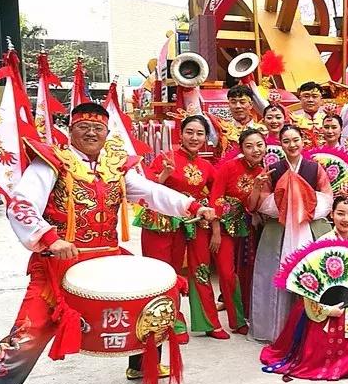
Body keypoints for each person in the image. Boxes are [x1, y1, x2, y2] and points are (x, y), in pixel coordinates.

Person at [0, 103, 216, 384]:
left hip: (108, 255)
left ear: (106, 132)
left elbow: (151, 192)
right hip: (59, 259)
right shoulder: (52, 162)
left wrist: (192, 206)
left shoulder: (115, 166)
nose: (91, 133)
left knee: (152, 297)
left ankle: (142, 366)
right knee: (30, 330)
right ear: (70, 129)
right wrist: (49, 237)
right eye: (83, 127)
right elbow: (21, 204)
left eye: (98, 128)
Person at [260, 196, 348, 379]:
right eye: (340, 214)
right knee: (342, 343)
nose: (346, 219)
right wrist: (327, 310)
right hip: (323, 307)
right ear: (332, 215)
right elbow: (309, 286)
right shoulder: (321, 244)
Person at [134, 115, 230, 342]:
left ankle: (208, 321)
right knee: (167, 272)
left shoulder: (207, 166)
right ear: (181, 133)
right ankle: (172, 321)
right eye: (189, 132)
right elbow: (147, 189)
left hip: (194, 223)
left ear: (206, 138)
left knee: (201, 270)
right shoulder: (165, 158)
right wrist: (165, 174)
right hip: (163, 222)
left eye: (199, 133)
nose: (194, 137)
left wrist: (216, 228)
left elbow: (217, 196)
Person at [250, 125, 333, 342]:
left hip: (310, 225)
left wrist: (303, 205)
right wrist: (287, 204)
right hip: (279, 228)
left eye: (295, 140)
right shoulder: (273, 169)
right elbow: (263, 202)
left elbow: (327, 197)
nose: (292, 145)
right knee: (275, 276)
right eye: (286, 141)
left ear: (303, 141)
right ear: (280, 144)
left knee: (313, 274)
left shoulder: (314, 168)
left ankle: (314, 328)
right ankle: (277, 329)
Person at [209, 128, 269, 333]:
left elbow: (251, 206)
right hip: (223, 227)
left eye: (259, 145)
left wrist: (257, 187)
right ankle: (237, 321)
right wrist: (216, 231)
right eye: (249, 146)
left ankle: (243, 316)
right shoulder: (229, 167)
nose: (255, 150)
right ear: (241, 149)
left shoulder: (263, 172)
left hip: (246, 228)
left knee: (246, 272)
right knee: (226, 273)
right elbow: (216, 197)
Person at [214, 84, 263, 159]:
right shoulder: (221, 130)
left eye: (242, 102)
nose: (238, 106)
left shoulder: (263, 131)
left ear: (251, 105)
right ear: (229, 105)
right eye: (233, 102)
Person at [290, 81, 327, 149]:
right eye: (306, 96)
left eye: (314, 96)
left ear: (321, 99)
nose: (310, 100)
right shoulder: (293, 119)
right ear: (300, 98)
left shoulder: (328, 119)